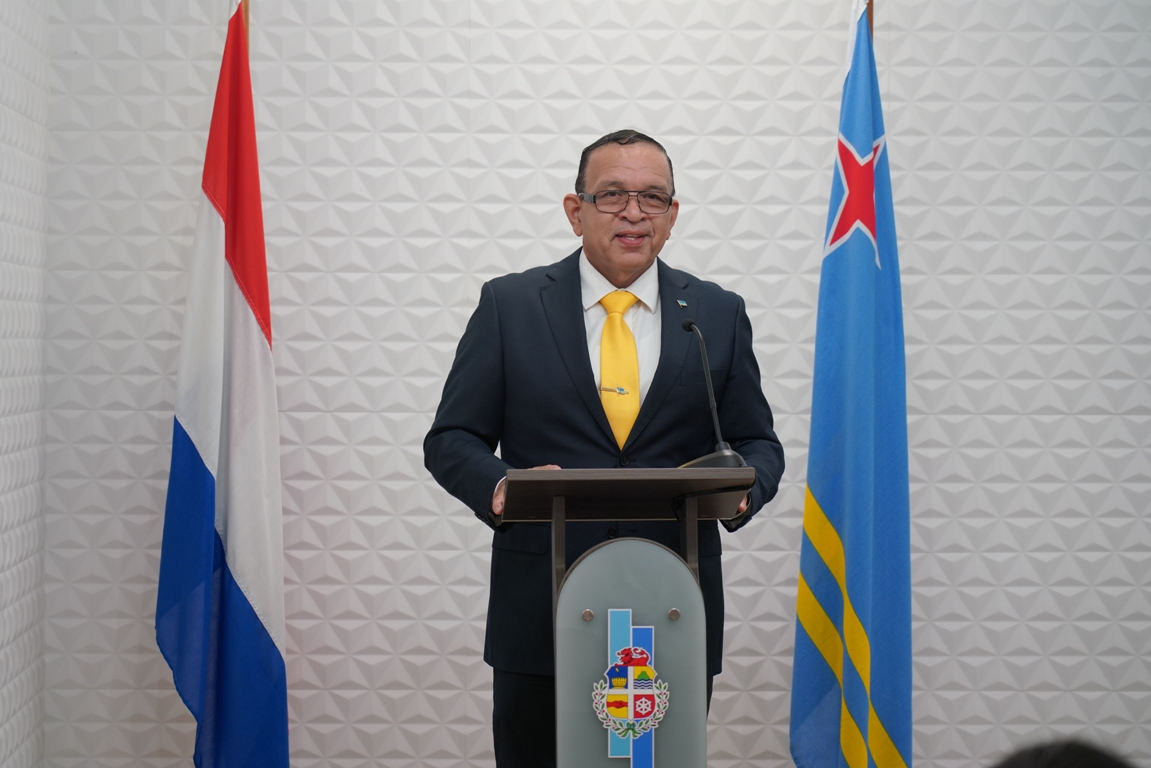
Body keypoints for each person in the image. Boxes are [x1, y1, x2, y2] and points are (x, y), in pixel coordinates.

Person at [423, 129, 786, 767]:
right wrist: (503, 486)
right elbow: (451, 438)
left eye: (653, 198)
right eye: (613, 194)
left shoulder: (714, 313)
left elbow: (757, 439)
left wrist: (742, 490)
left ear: (673, 215)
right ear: (576, 210)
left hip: (672, 602)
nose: (633, 213)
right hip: (541, 605)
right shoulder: (511, 305)